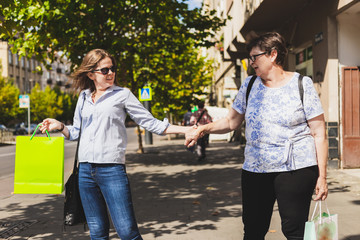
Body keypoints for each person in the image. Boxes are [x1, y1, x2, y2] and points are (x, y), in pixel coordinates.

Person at [185, 32, 328, 240]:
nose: (251, 62)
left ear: (272, 55)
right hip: (255, 168)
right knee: (253, 230)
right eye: (249, 58)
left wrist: (322, 177)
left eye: (255, 57)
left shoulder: (301, 84)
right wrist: (202, 129)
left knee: (294, 231)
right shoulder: (249, 85)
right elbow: (231, 121)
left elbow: (319, 133)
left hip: (295, 168)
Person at [39, 49, 192, 240]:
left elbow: (150, 122)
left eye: (112, 69)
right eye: (105, 70)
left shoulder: (123, 95)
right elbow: (77, 132)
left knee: (127, 232)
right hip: (85, 172)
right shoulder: (84, 97)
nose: (110, 73)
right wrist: (60, 126)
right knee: (97, 232)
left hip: (111, 170)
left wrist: (186, 130)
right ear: (91, 74)